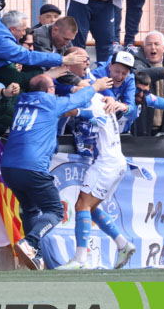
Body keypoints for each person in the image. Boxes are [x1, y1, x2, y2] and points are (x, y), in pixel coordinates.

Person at [1, 74, 110, 270]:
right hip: (32, 167)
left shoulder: (22, 101)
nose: (55, 89)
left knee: (30, 209)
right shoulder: (50, 102)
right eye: (53, 86)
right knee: (55, 210)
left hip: (9, 167)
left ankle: (36, 255)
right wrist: (97, 86)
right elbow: (79, 99)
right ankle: (30, 241)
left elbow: (69, 108)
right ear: (48, 90)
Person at [59, 81, 139, 270]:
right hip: (116, 161)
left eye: (78, 89)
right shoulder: (101, 100)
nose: (76, 93)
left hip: (107, 163)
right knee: (92, 208)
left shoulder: (92, 101)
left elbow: (79, 112)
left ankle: (80, 259)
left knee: (82, 205)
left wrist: (58, 109)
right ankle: (122, 244)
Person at [0, 10, 87, 76]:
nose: (25, 33)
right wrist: (61, 60)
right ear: (12, 29)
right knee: (0, 89)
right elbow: (28, 56)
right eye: (23, 29)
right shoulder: (2, 41)